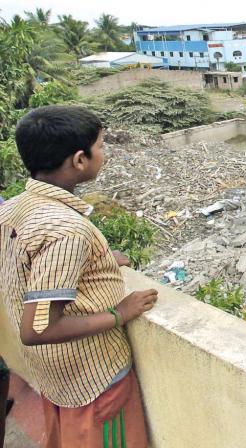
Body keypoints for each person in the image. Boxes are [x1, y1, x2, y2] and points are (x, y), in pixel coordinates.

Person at [0, 106, 158, 448]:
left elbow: (32, 266)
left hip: (55, 376)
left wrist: (93, 262)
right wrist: (120, 313)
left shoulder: (14, 208)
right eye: (100, 146)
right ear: (79, 160)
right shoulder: (66, 231)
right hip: (92, 380)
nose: (103, 153)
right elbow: (38, 327)